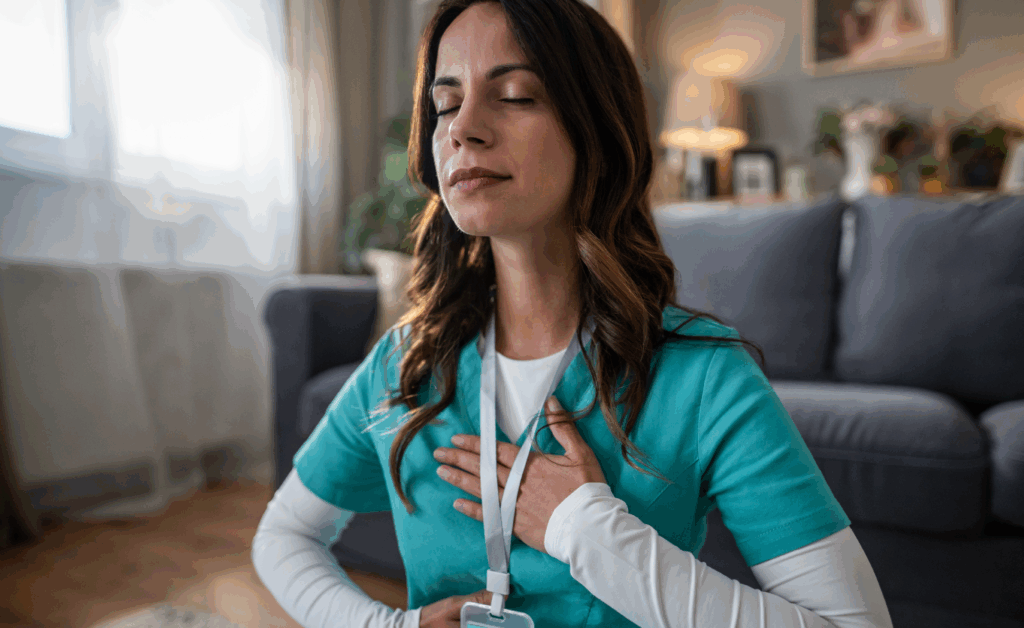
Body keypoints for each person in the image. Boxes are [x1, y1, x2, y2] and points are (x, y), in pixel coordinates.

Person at [251, 1, 895, 627]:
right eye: (446, 103)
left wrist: (587, 530)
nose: (461, 127)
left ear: (596, 131)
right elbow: (282, 536)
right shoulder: (406, 360)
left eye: (516, 95)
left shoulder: (704, 376)